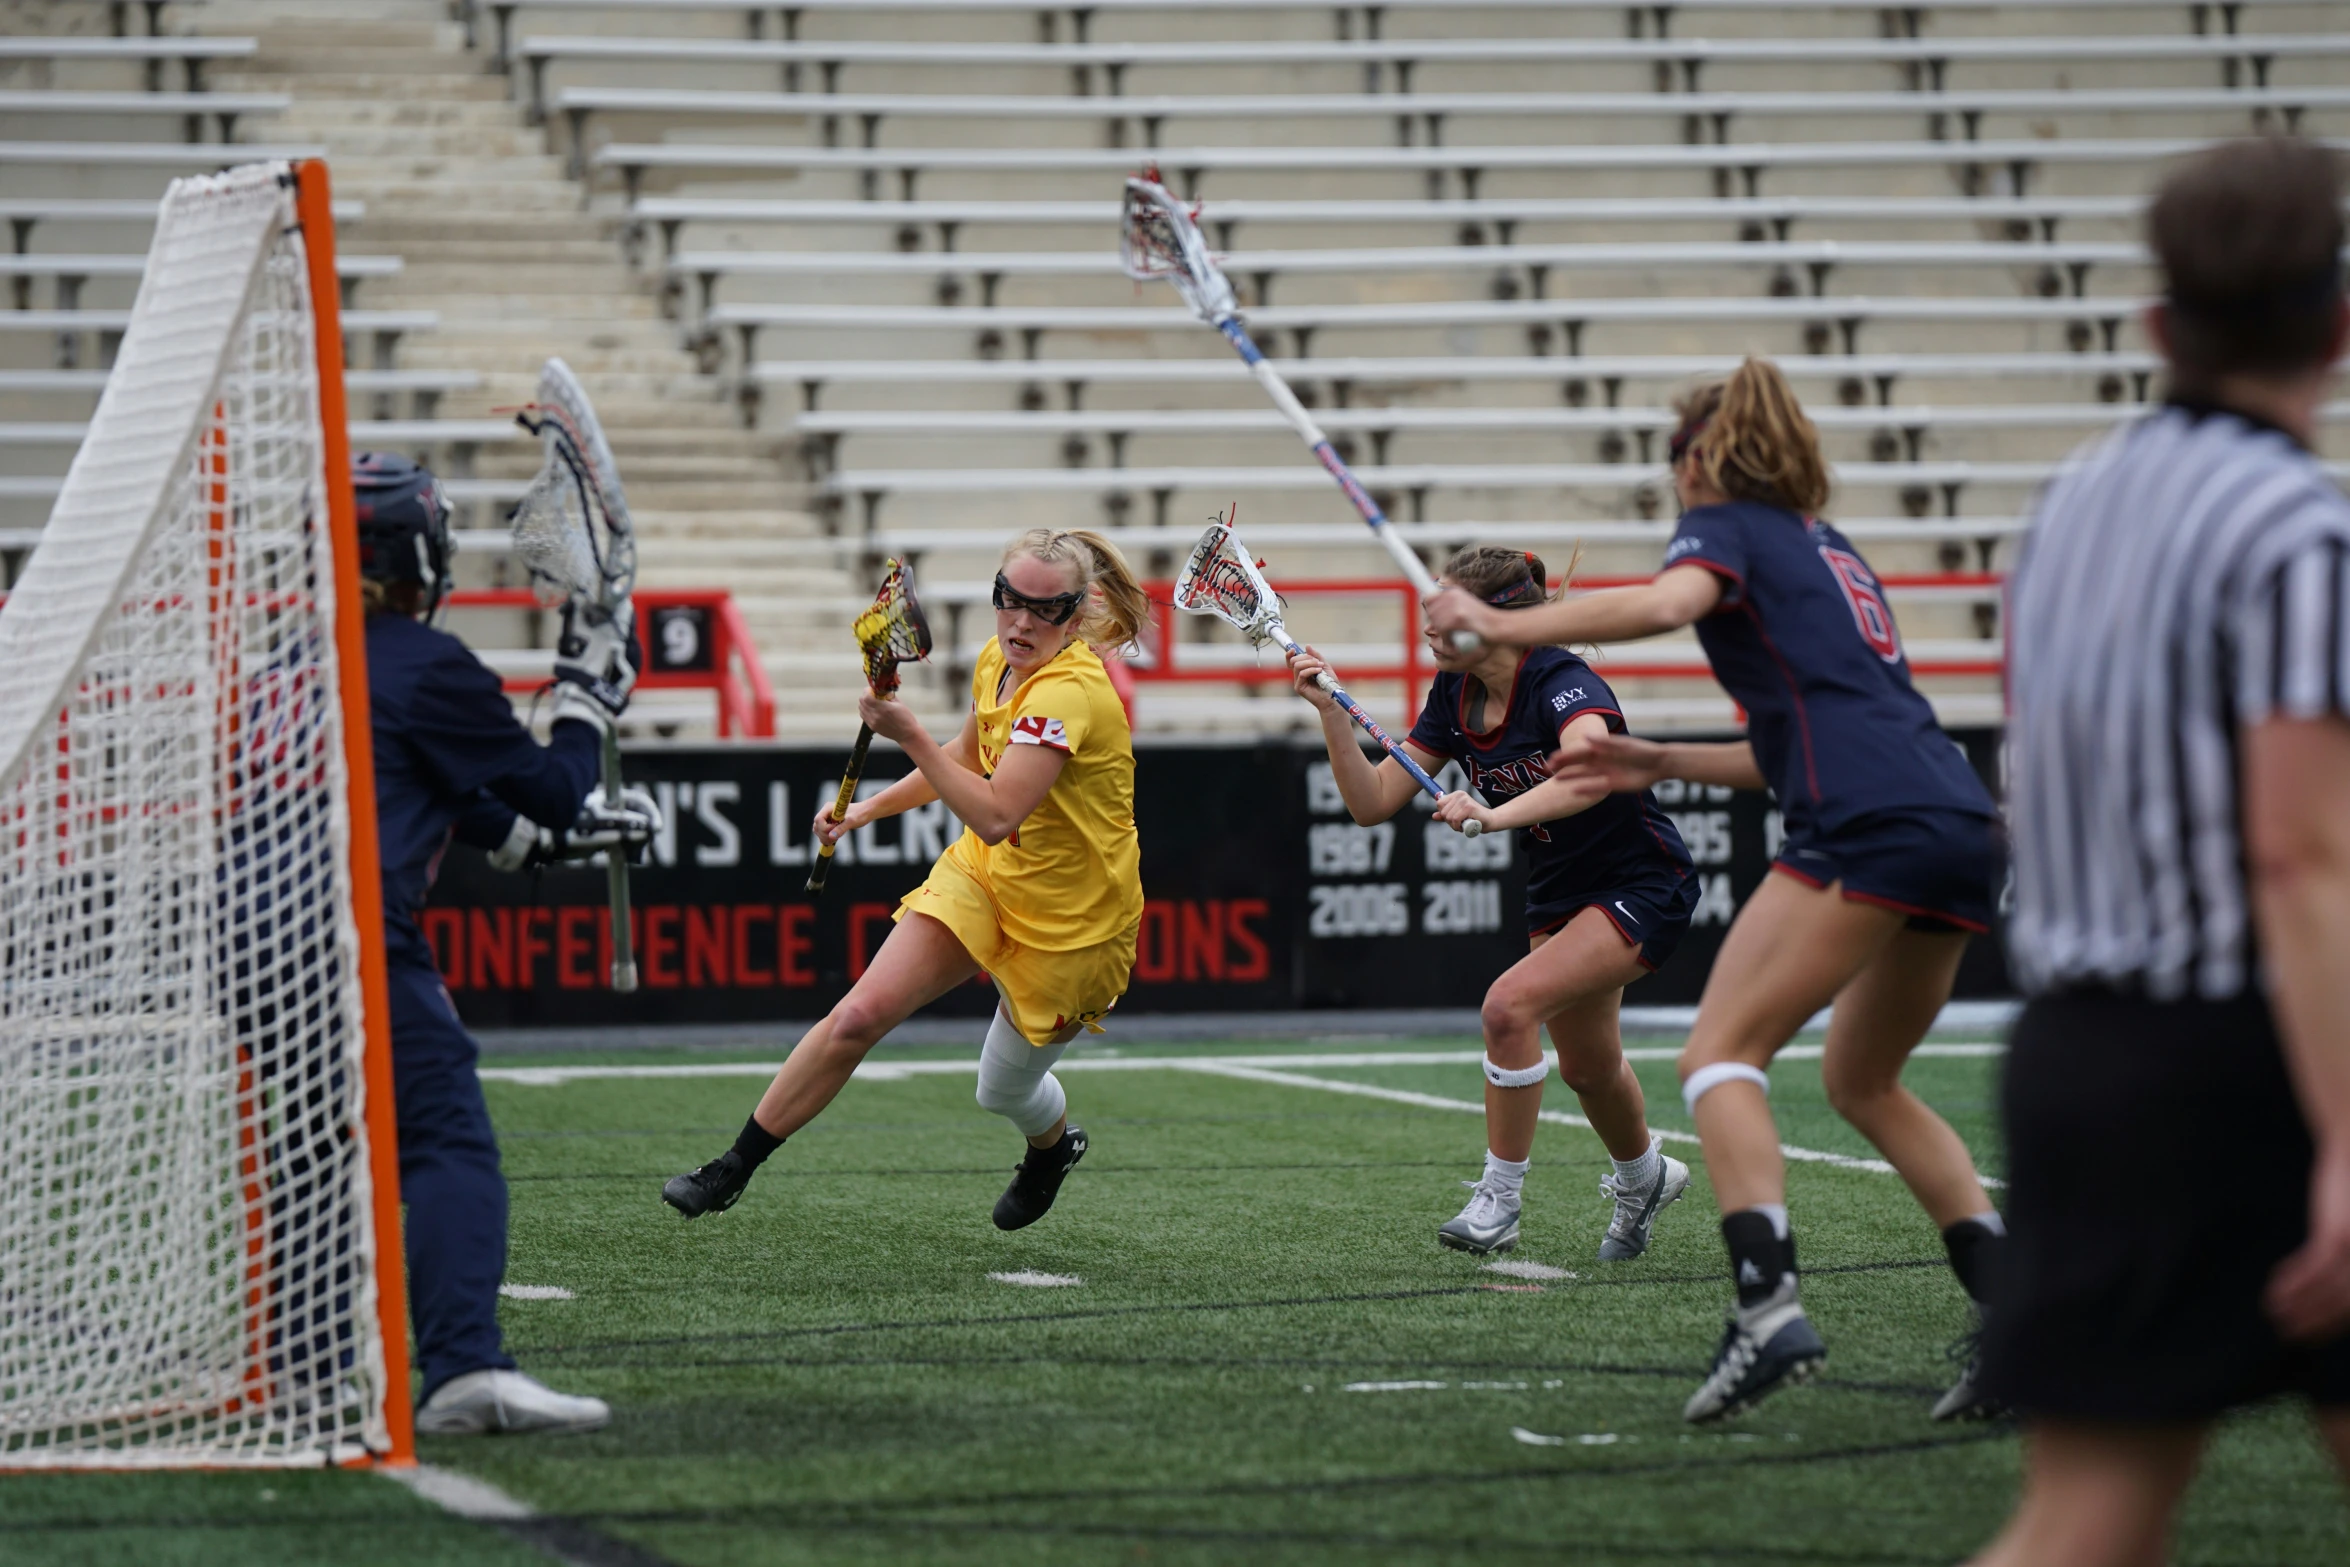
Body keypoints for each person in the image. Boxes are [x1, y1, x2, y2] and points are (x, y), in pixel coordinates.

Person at [1427, 358, 2007, 1424]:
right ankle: (2019, 1320)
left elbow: (1663, 602)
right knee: (1863, 1081)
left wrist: (1505, 627)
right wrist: (1655, 759)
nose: (1670, 476)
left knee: (1717, 1056)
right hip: (1956, 814)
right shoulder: (1830, 550)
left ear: (1705, 455)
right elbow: (1792, 741)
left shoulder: (1726, 523)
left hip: (1865, 823)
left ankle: (1766, 1309)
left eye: (1671, 456)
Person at [1972, 137, 2350, 1567]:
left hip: (2079, 1054)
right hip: (2242, 1060)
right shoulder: (2294, 530)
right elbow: (2298, 856)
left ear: (2154, 325)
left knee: (2081, 1521)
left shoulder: (2069, 505)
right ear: (2335, 324)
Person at [661, 528, 1150, 1230]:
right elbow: (968, 755)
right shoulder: (998, 661)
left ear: (1076, 615)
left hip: (1076, 922)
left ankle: (1051, 1147)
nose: (1020, 621)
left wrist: (906, 730)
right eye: (1008, 600)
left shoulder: (1069, 693)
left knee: (1002, 1089)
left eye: (1045, 609)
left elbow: (995, 810)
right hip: (988, 879)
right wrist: (864, 809)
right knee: (857, 1015)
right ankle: (732, 1167)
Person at [1288, 545, 1697, 1261]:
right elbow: (1372, 801)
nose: (1431, 629)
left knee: (1507, 1008)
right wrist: (1331, 713)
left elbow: (1592, 774)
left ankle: (1499, 1201)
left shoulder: (1563, 680)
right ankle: (1645, 1175)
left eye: (1446, 617)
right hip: (1559, 889)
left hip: (1639, 881)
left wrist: (1491, 813)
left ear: (1492, 622)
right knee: (1589, 1067)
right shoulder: (1454, 692)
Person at [356, 450, 647, 1435]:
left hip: (256, 951)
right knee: (444, 1140)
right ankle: (463, 1371)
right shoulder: (425, 662)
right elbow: (552, 784)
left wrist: (543, 838)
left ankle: (302, 1365)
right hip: (355, 940)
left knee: (322, 1153)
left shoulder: (291, 659)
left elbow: (434, 791)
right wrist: (583, 698)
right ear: (419, 554)